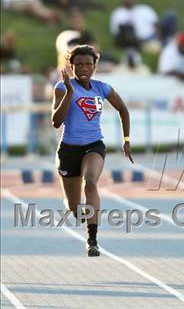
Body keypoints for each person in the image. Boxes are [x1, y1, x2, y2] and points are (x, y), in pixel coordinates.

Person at [51, 45, 134, 257]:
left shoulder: (102, 88)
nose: (84, 68)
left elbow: (123, 110)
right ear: (71, 66)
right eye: (79, 64)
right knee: (75, 209)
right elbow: (56, 122)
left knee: (90, 184)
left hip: (93, 146)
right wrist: (70, 93)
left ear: (95, 66)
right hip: (69, 150)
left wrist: (126, 139)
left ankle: (92, 240)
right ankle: (74, 207)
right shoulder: (62, 87)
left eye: (88, 64)